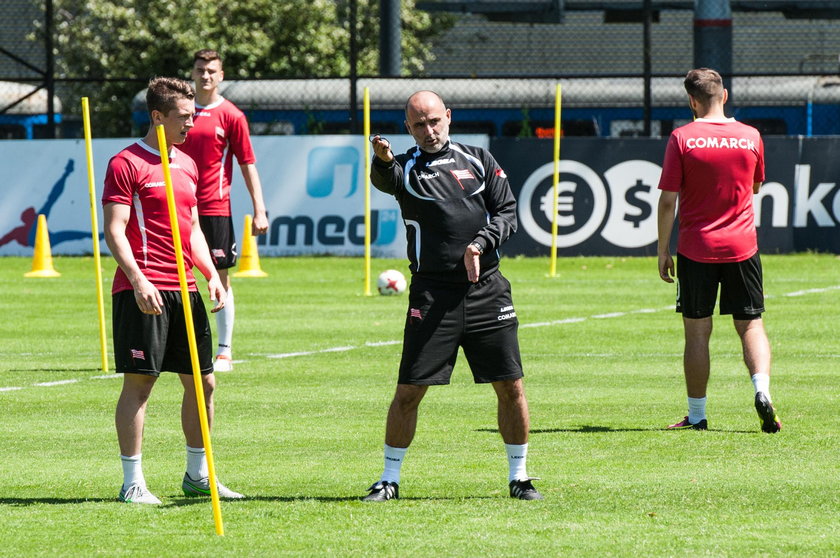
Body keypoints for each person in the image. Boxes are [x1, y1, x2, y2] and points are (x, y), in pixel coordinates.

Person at [363, 91, 542, 501]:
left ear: (448, 116)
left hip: (487, 290)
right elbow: (384, 180)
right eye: (419, 125)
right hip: (432, 295)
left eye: (434, 121)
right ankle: (389, 479)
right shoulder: (404, 168)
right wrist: (383, 158)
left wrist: (480, 243)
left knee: (510, 386)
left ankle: (520, 476)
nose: (429, 131)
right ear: (408, 129)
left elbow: (507, 212)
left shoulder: (479, 158)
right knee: (409, 391)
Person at [103, 76, 244, 504]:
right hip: (143, 290)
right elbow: (114, 231)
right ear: (157, 117)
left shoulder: (186, 163)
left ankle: (197, 476)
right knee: (140, 386)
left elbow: (193, 228)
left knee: (204, 384)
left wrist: (211, 272)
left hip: (186, 291)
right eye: (184, 117)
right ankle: (132, 483)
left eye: (194, 115)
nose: (191, 123)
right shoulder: (125, 163)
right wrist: (139, 279)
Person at [657, 67, 782, 434]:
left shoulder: (683, 138)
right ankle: (762, 391)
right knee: (751, 325)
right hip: (743, 246)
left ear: (691, 101)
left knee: (697, 333)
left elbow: (668, 202)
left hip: (697, 248)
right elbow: (756, 186)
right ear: (724, 96)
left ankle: (697, 416)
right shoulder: (750, 136)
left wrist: (663, 249)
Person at [180, 49, 269, 373]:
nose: (205, 75)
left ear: (221, 75)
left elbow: (247, 163)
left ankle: (224, 351)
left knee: (218, 276)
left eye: (211, 70)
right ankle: (178, 346)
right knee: (174, 276)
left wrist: (260, 209)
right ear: (192, 72)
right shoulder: (179, 111)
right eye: (200, 69)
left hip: (214, 206)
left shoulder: (231, 115)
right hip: (178, 206)